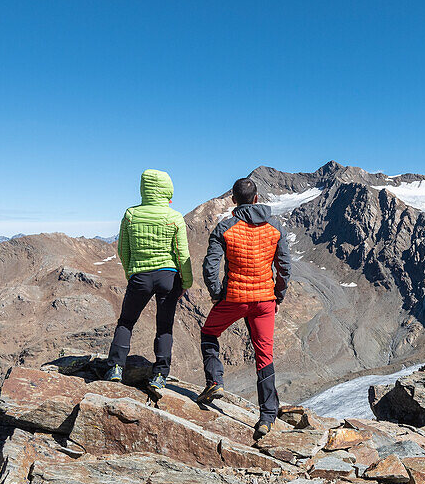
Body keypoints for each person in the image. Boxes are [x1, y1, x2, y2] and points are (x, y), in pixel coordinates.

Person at [198, 177, 292, 441]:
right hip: (264, 300)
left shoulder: (226, 227)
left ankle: (215, 381)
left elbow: (210, 267)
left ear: (233, 200)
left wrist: (219, 294)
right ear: (257, 198)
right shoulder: (275, 227)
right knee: (264, 355)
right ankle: (267, 417)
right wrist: (278, 296)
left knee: (209, 333)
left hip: (235, 298)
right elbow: (284, 267)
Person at [97, 169, 193, 395]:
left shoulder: (131, 214)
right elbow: (182, 254)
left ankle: (115, 369)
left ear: (144, 188)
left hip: (140, 276)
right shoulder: (174, 217)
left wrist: (132, 273)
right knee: (164, 327)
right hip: (168, 277)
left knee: (126, 322)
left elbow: (123, 249)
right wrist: (186, 282)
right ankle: (159, 375)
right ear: (168, 189)